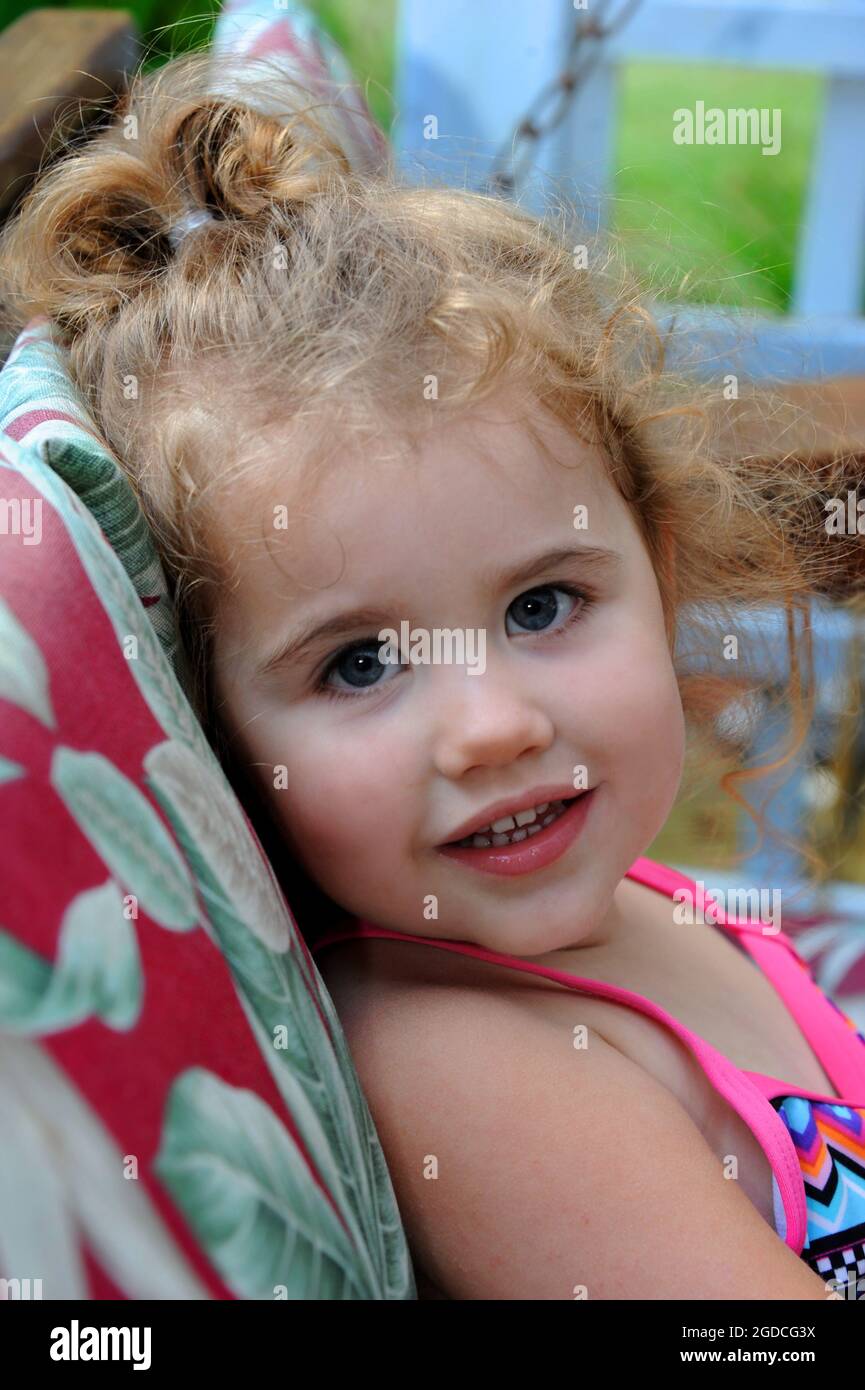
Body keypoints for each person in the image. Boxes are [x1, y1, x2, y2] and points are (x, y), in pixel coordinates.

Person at [2, 44, 863, 1302]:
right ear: (222, 731)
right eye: (358, 664)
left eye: (542, 603)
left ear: (659, 565)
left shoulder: (634, 897)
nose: (495, 726)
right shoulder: (467, 1056)